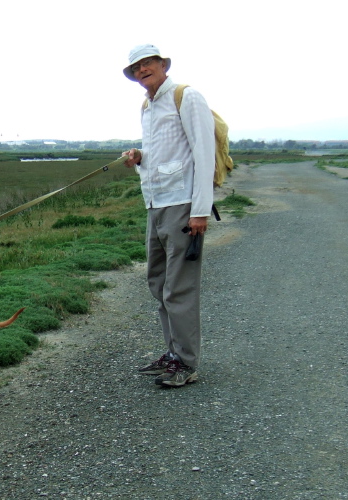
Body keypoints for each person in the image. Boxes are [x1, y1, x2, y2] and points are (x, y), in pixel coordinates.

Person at [121, 44, 215, 387]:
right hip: (155, 204)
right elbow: (165, 154)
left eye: (148, 63)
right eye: (136, 67)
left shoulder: (186, 97)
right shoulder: (147, 106)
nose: (142, 70)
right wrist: (140, 158)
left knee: (180, 288)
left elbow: (204, 154)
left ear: (163, 64)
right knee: (158, 283)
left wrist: (200, 211)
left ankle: (186, 362)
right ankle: (173, 353)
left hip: (182, 205)